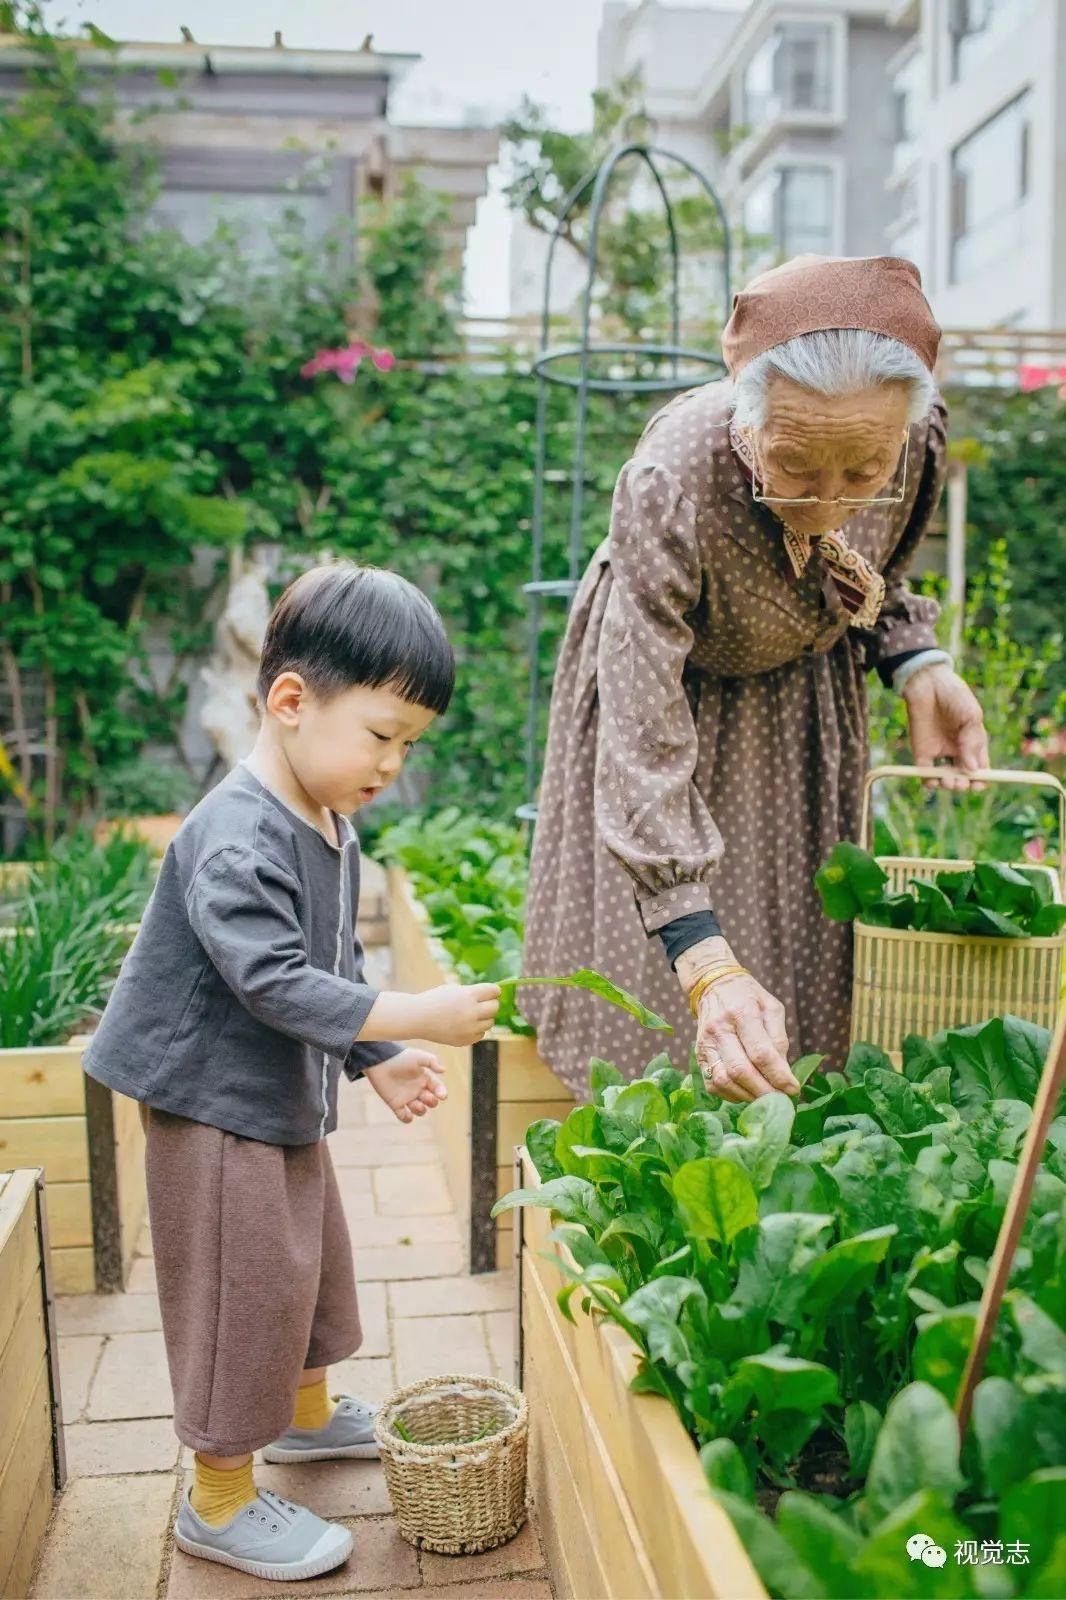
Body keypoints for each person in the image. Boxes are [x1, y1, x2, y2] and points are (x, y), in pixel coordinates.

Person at [84, 563, 501, 1583]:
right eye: (381, 733)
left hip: (271, 1096)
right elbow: (274, 981)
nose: (394, 761)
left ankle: (306, 1417)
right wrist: (421, 1017)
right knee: (242, 1285)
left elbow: (330, 964)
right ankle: (218, 1500)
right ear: (288, 700)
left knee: (307, 1260)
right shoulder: (235, 836)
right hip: (209, 1103)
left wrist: (377, 1055)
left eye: (410, 743)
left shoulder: (326, 818)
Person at [522, 254, 989, 1102]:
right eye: (798, 468)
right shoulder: (674, 476)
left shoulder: (914, 438)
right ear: (751, 412)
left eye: (863, 473)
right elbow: (643, 722)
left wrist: (919, 663)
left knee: (795, 938)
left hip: (799, 708)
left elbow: (881, 575)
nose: (831, 502)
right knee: (667, 981)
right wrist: (698, 953)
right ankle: (655, 1150)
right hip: (673, 694)